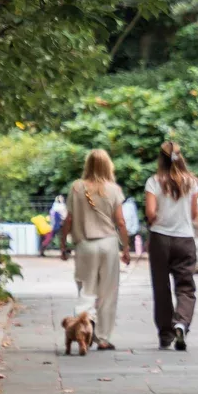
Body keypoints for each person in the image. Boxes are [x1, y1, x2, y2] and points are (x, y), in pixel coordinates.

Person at [62, 149, 129, 351]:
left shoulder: (76, 188)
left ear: (87, 165)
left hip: (84, 245)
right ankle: (103, 338)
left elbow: (69, 219)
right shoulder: (114, 189)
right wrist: (126, 247)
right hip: (108, 244)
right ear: (108, 165)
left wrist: (63, 243)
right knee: (108, 292)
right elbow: (120, 221)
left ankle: (84, 323)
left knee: (86, 288)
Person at [144, 141, 198, 351]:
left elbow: (150, 212)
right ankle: (181, 322)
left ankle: (166, 334)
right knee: (185, 286)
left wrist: (158, 218)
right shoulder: (191, 182)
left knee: (161, 287)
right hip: (185, 238)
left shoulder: (154, 181)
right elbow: (194, 214)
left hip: (160, 238)